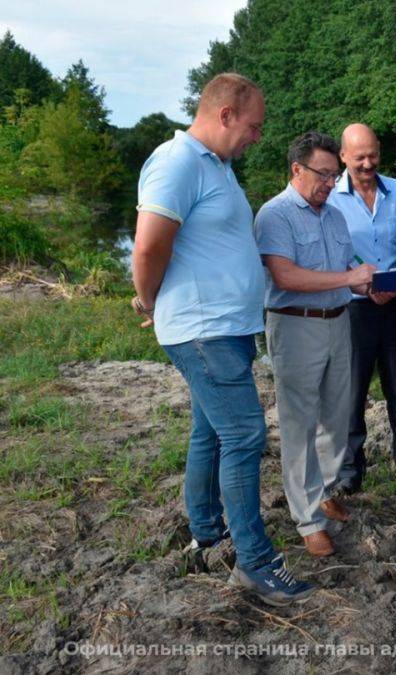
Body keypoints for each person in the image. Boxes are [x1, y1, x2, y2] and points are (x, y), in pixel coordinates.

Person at [131, 73, 315, 606]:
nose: (258, 136)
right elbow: (147, 247)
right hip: (204, 328)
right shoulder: (178, 161)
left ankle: (208, 533)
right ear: (226, 114)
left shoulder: (217, 167)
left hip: (225, 327)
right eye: (253, 125)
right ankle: (255, 563)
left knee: (210, 433)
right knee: (245, 436)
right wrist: (150, 299)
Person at [253, 131, 376, 557]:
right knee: (298, 424)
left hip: (338, 322)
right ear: (296, 170)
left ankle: (324, 490)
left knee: (337, 415)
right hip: (295, 326)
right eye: (322, 175)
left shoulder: (336, 216)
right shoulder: (276, 215)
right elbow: (285, 277)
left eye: (333, 175)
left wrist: (374, 286)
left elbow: (349, 271)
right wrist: (349, 279)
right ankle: (307, 519)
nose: (330, 183)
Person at [328, 123, 396, 494]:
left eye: (372, 154)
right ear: (343, 156)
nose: (367, 163)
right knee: (353, 392)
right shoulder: (330, 196)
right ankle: (350, 469)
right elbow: (328, 252)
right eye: (358, 157)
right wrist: (357, 279)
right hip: (354, 307)